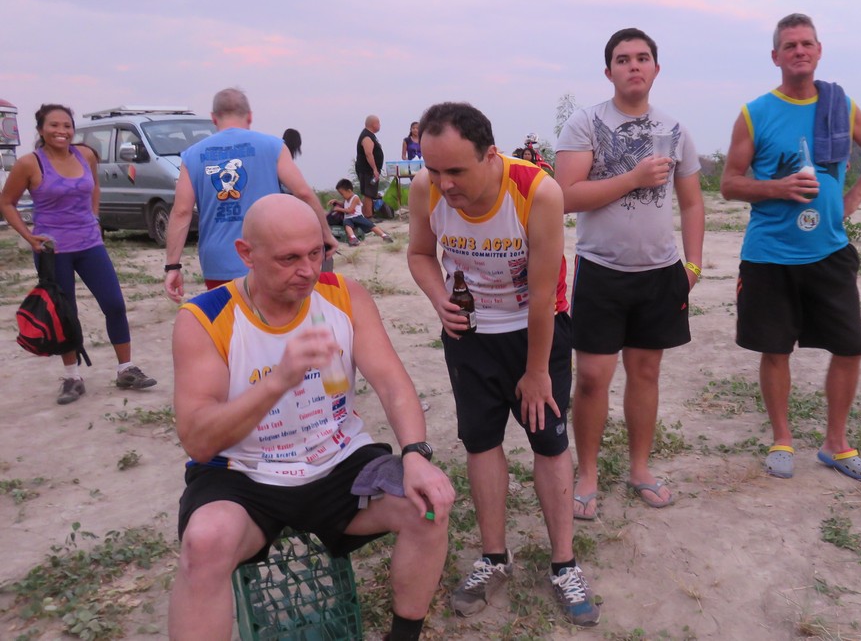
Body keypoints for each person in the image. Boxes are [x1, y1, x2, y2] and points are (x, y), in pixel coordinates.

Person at [167, 194, 453, 641]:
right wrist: (278, 381)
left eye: (315, 253)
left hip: (337, 460)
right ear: (246, 254)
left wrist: (416, 454)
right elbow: (199, 441)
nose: (307, 270)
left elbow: (392, 383)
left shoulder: (342, 295)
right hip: (245, 473)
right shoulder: (205, 319)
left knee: (428, 506)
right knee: (204, 545)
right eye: (289, 259)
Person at [406, 102, 600, 627]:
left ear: (490, 155)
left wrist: (536, 373)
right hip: (468, 333)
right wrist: (438, 299)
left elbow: (542, 295)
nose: (444, 184)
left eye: (456, 170)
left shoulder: (538, 192)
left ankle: (564, 563)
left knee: (549, 442)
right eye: (434, 169)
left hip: (535, 330)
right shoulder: (426, 189)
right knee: (481, 441)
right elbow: (420, 254)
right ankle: (494, 557)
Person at [719, 13, 861, 482]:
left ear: (819, 52)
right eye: (790, 45)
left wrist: (854, 198)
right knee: (775, 350)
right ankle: (782, 439)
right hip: (769, 254)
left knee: (850, 347)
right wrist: (776, 188)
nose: (799, 51)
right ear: (775, 56)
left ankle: (836, 444)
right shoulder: (755, 113)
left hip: (829, 250)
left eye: (806, 44)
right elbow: (730, 184)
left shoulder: (841, 106)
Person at [555, 27, 705, 520]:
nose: (634, 66)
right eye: (623, 59)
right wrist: (634, 177)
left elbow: (692, 202)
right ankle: (587, 474)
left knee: (645, 372)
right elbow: (565, 197)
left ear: (656, 69)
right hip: (601, 269)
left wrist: (693, 265)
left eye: (642, 58)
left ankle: (640, 468)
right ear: (609, 71)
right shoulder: (586, 123)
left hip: (660, 273)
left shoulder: (675, 129)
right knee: (592, 377)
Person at [0, 103, 157, 404]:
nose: (61, 131)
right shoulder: (29, 164)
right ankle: (72, 377)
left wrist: (95, 217)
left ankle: (126, 369)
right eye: (54, 125)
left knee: (114, 304)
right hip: (52, 250)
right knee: (65, 313)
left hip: (89, 244)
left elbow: (94, 186)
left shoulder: (85, 155)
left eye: (67, 125)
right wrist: (28, 236)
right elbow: (6, 202)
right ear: (41, 129)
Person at [164, 88, 335, 302]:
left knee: (230, 319)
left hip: (218, 263)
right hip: (270, 258)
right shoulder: (273, 147)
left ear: (214, 118)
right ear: (250, 116)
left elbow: (181, 211)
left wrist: (173, 266)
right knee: (275, 318)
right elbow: (303, 193)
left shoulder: (193, 155)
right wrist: (326, 235)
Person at [329, 178, 394, 246]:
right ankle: (353, 238)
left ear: (349, 191)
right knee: (346, 224)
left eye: (342, 194)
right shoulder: (346, 199)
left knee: (370, 225)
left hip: (358, 217)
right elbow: (344, 205)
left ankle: (384, 235)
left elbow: (350, 210)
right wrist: (336, 201)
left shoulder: (355, 198)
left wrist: (338, 209)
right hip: (349, 218)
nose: (342, 196)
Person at [356, 115, 385, 219]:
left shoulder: (371, 135)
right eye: (379, 123)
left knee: (369, 192)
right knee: (369, 193)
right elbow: (368, 154)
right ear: (374, 124)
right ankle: (368, 216)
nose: (380, 125)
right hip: (367, 170)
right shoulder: (367, 136)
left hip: (368, 170)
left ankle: (365, 214)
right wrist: (374, 169)